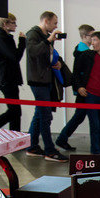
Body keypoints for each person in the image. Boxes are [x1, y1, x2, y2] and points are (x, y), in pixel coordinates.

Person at [57, 31, 100, 155]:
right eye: (92, 40)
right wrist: (79, 87)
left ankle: (62, 139)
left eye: (95, 40)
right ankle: (95, 152)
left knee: (92, 121)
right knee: (94, 123)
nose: (92, 43)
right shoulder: (86, 55)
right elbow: (76, 72)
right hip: (89, 95)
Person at [25, 11, 67, 162]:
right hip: (38, 80)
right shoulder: (33, 34)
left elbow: (46, 55)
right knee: (45, 116)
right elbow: (33, 52)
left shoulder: (44, 36)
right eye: (54, 23)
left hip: (45, 79)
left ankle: (32, 146)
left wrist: (57, 63)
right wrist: (49, 39)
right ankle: (49, 150)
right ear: (46, 21)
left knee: (40, 114)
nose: (56, 26)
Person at [0, 13, 25, 131]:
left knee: (15, 112)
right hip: (6, 79)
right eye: (13, 23)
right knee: (14, 111)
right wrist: (22, 42)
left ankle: (14, 135)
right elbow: (15, 57)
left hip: (9, 78)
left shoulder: (4, 37)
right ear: (5, 24)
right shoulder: (0, 38)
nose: (15, 25)